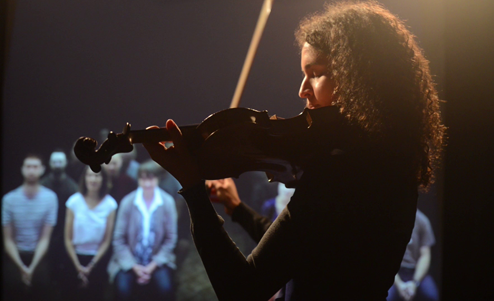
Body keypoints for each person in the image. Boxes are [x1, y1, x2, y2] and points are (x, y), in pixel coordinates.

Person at [143, 2, 445, 300]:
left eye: (315, 73)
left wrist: (194, 190)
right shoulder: (394, 166)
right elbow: (306, 253)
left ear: (358, 77)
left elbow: (240, 290)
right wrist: (237, 209)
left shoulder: (337, 174)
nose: (302, 89)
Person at [108, 159, 178, 301]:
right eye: (143, 178)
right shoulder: (128, 202)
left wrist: (152, 266)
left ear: (158, 179)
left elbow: (171, 238)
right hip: (129, 259)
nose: (147, 183)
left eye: (151, 178)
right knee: (122, 291)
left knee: (166, 289)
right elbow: (118, 238)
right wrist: (134, 266)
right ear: (138, 179)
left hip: (157, 260)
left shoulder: (167, 202)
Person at [2, 154, 58, 301]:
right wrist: (21, 267)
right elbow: (8, 240)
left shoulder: (50, 198)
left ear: (42, 169)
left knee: (43, 285)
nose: (31, 171)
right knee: (11, 286)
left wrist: (31, 268)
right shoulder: (9, 200)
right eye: (28, 166)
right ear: (22, 169)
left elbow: (45, 238)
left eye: (35, 167)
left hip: (38, 255)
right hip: (15, 255)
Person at [63, 167, 117, 301]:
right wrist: (78, 267)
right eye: (90, 175)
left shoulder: (110, 204)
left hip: (97, 259)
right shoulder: (74, 202)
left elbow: (106, 241)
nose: (93, 179)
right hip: (74, 257)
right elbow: (68, 239)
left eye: (97, 176)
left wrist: (91, 266)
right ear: (84, 178)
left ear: (103, 179)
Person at [40, 149, 79, 292]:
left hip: (65, 232)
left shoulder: (73, 187)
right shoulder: (42, 184)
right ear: (49, 163)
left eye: (60, 162)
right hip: (44, 232)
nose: (57, 165)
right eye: (54, 162)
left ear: (66, 163)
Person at [387, 209, 439, 301]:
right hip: (394, 272)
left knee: (432, 296)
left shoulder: (422, 220)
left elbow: (425, 256)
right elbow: (385, 256)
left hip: (416, 271)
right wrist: (399, 284)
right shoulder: (390, 220)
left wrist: (415, 283)